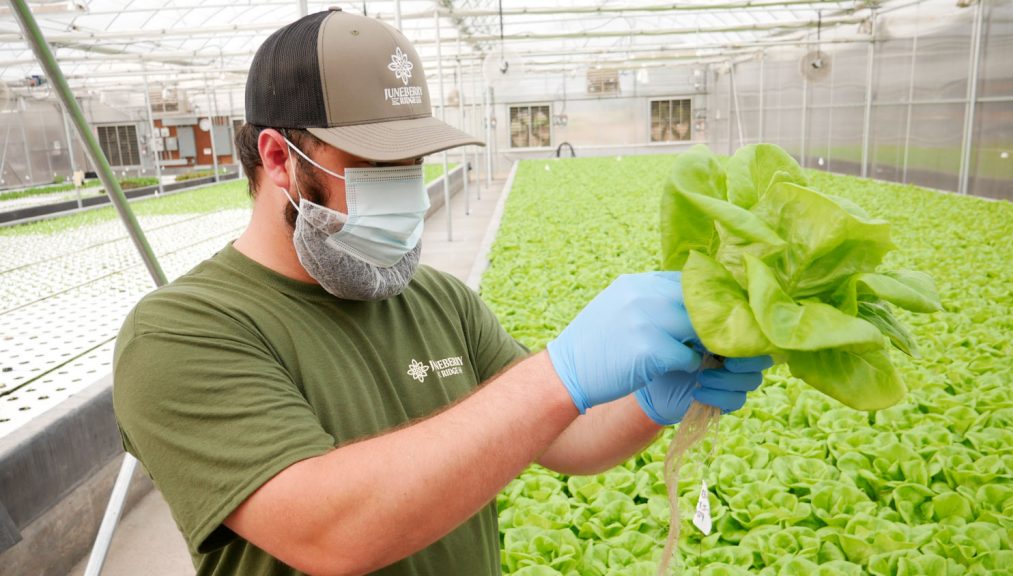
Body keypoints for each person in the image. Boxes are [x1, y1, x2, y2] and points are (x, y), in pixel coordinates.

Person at [112, 9, 771, 576]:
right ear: (279, 159)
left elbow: (566, 439)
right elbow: (329, 530)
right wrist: (557, 375)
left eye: (412, 163)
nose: (404, 187)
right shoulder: (180, 332)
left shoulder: (437, 299)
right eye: (374, 167)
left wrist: (653, 399)